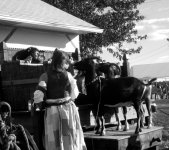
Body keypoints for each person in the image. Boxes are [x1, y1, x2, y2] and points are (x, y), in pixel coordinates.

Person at [33, 49, 87, 150]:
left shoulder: (45, 76)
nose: (66, 65)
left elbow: (38, 96)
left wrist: (41, 106)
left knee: (54, 138)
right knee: (70, 136)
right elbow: (74, 94)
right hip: (68, 110)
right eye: (65, 62)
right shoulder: (69, 75)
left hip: (53, 111)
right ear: (62, 62)